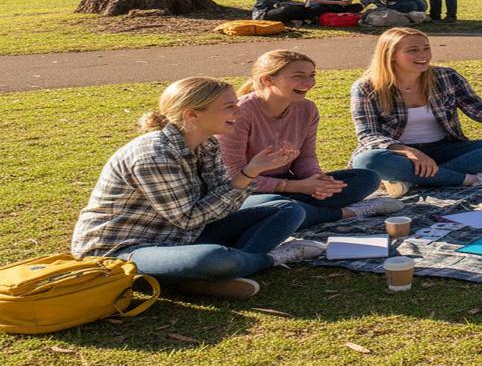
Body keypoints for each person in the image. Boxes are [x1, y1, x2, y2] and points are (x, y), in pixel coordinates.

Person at [71, 78, 324, 300]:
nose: (239, 111)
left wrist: (251, 175)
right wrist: (248, 173)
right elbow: (188, 217)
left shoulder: (207, 145)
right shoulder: (154, 154)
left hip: (185, 235)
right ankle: (270, 258)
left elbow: (219, 201)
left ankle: (200, 276)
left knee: (287, 209)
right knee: (213, 258)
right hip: (122, 250)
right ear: (192, 115)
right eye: (229, 107)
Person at [349, 28, 482, 193]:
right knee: (367, 161)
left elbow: (479, 111)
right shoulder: (367, 87)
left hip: (446, 150)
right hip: (399, 154)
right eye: (412, 50)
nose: (423, 55)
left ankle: (413, 179)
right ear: (390, 55)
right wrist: (411, 152)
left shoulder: (446, 76)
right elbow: (368, 134)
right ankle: (471, 180)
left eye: (426, 48)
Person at [219, 51, 400, 228]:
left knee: (366, 179)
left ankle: (295, 214)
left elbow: (305, 157)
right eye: (299, 76)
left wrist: (317, 180)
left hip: (290, 185)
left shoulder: (307, 109)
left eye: (312, 75)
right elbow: (234, 175)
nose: (309, 83)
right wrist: (295, 187)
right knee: (275, 204)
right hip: (245, 189)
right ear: (267, 80)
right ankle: (342, 213)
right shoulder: (240, 114)